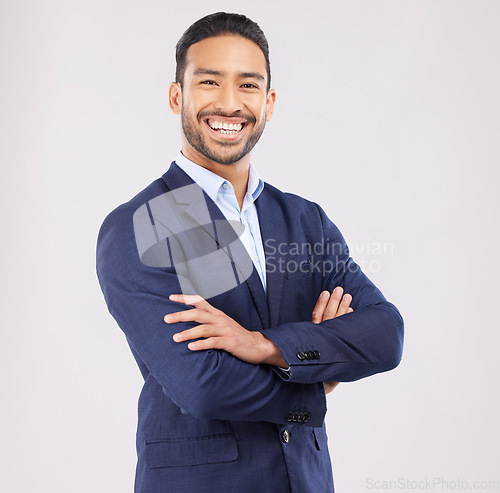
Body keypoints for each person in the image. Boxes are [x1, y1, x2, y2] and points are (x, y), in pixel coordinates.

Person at [96, 12, 404, 493]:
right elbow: (202, 384)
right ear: (177, 95)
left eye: (248, 85)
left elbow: (385, 334)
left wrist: (263, 346)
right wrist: (315, 376)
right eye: (209, 82)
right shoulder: (143, 225)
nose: (229, 103)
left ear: (269, 102)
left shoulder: (304, 220)